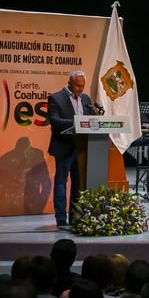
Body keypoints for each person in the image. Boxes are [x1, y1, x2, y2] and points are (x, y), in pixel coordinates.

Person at [47, 70, 95, 229]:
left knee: (78, 182)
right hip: (63, 146)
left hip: (81, 148)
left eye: (83, 86)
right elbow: (54, 120)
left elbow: (91, 119)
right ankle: (61, 218)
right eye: (78, 86)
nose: (80, 89)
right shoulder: (56, 98)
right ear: (70, 83)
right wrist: (77, 122)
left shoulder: (86, 98)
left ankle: (75, 216)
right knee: (61, 182)